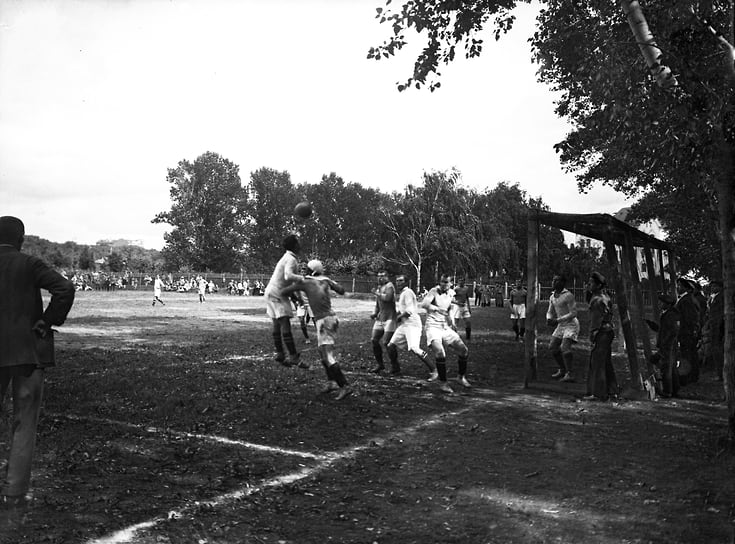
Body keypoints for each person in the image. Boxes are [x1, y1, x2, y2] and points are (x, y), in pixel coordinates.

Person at [0, 216, 75, 509]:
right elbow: (64, 288)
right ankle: (14, 490)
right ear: (21, 239)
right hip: (26, 351)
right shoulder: (29, 264)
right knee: (25, 421)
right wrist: (49, 319)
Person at [281, 260, 352, 400]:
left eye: (307, 269)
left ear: (312, 271)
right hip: (329, 319)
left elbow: (284, 291)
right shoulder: (325, 279)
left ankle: (345, 386)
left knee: (328, 356)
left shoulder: (305, 281)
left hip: (324, 321)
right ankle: (331, 382)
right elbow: (341, 290)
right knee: (322, 353)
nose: (304, 272)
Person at [421, 274, 471, 394]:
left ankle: (461, 377)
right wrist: (437, 309)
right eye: (442, 282)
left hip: (444, 326)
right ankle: (443, 383)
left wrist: (452, 322)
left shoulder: (451, 293)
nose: (444, 284)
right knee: (440, 352)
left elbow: (449, 309)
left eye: (446, 282)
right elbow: (424, 304)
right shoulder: (433, 291)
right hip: (432, 326)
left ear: (450, 283)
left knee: (463, 350)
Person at [263, 234, 307, 368]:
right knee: (284, 323)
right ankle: (293, 357)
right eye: (297, 242)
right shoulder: (291, 259)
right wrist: (303, 278)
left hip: (270, 290)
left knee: (276, 324)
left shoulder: (286, 257)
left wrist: (298, 297)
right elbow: (289, 276)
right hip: (278, 292)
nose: (299, 244)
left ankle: (280, 354)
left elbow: (290, 281)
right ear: (294, 245)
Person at [386, 275, 436, 378]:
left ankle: (434, 370)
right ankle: (396, 369)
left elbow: (409, 311)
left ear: (406, 282)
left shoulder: (408, 293)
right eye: (397, 281)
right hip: (405, 325)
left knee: (415, 348)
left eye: (401, 281)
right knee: (391, 346)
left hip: (413, 325)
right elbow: (402, 310)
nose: (398, 283)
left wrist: (397, 319)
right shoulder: (403, 293)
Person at [583, 272, 618, 400]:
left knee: (597, 363)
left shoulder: (598, 300)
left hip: (601, 332)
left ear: (598, 285)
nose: (588, 285)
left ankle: (598, 394)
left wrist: (593, 334)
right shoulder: (604, 296)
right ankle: (611, 390)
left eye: (591, 283)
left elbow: (596, 320)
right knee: (606, 362)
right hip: (608, 331)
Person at [646, 294, 681, 397]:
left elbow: (673, 332)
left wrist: (665, 344)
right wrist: (651, 324)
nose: (660, 304)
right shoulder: (668, 314)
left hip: (669, 345)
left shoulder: (671, 315)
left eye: (662, 303)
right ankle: (674, 390)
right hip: (668, 345)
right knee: (671, 368)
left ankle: (667, 391)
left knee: (667, 368)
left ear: (668, 304)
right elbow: (662, 330)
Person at [546, 274, 579, 382]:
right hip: (561, 325)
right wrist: (549, 319)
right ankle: (562, 369)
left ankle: (570, 373)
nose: (554, 282)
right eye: (553, 280)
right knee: (553, 347)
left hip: (571, 324)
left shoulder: (568, 295)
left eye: (557, 281)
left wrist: (557, 320)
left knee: (565, 347)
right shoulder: (552, 296)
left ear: (562, 283)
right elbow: (550, 311)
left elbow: (573, 313)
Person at [369, 270, 398, 374]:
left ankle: (395, 366)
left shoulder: (390, 286)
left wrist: (376, 293)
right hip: (380, 318)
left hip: (390, 318)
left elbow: (388, 298)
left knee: (387, 343)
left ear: (387, 277)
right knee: (374, 340)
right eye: (378, 276)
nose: (380, 278)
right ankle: (380, 364)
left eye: (382, 276)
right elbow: (378, 303)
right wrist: (374, 313)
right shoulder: (379, 288)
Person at [675, 277, 700, 385]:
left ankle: (689, 377)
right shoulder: (686, 299)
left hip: (686, 332)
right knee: (689, 354)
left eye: (680, 286)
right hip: (686, 332)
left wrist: (691, 331)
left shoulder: (686, 300)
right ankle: (691, 376)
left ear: (686, 288)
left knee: (687, 355)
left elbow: (690, 318)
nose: (677, 288)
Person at [707, 280, 724, 381]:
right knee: (715, 350)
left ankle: (721, 374)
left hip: (719, 327)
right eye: (711, 286)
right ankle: (719, 373)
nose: (712, 288)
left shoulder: (721, 297)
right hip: (714, 327)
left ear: (720, 287)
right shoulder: (713, 298)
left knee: (718, 350)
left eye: (714, 286)